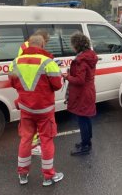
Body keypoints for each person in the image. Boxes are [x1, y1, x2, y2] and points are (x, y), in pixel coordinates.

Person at [9, 34, 64, 186]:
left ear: (28, 45)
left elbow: (13, 83)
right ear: (42, 46)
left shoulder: (15, 62)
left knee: (26, 140)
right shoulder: (48, 62)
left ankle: (23, 175)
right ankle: (48, 176)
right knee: (46, 141)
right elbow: (58, 85)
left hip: (26, 109)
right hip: (45, 111)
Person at [62, 33, 98, 156]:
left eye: (72, 44)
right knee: (86, 117)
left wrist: (68, 76)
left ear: (76, 45)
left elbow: (79, 80)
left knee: (82, 118)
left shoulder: (81, 60)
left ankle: (85, 146)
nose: (72, 46)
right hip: (89, 91)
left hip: (82, 94)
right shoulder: (90, 56)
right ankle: (87, 142)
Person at [17, 29, 51, 156]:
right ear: (41, 39)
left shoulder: (25, 45)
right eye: (45, 42)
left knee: (29, 116)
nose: (45, 45)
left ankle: (31, 143)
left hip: (25, 85)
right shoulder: (28, 47)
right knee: (35, 116)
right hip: (32, 84)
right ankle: (34, 145)